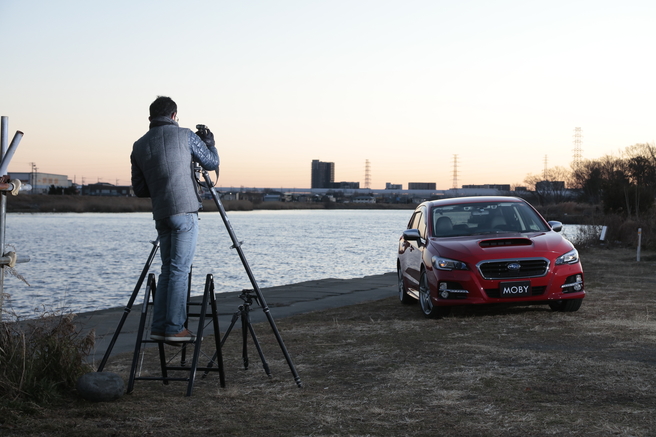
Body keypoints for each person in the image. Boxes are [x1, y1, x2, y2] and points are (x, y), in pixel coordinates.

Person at [130, 96, 219, 343]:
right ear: (173, 116)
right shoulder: (186, 136)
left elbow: (139, 189)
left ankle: (160, 326)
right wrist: (210, 143)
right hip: (185, 211)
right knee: (179, 270)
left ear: (150, 117)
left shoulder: (138, 145)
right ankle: (174, 328)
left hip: (162, 214)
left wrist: (162, 183)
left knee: (168, 270)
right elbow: (211, 163)